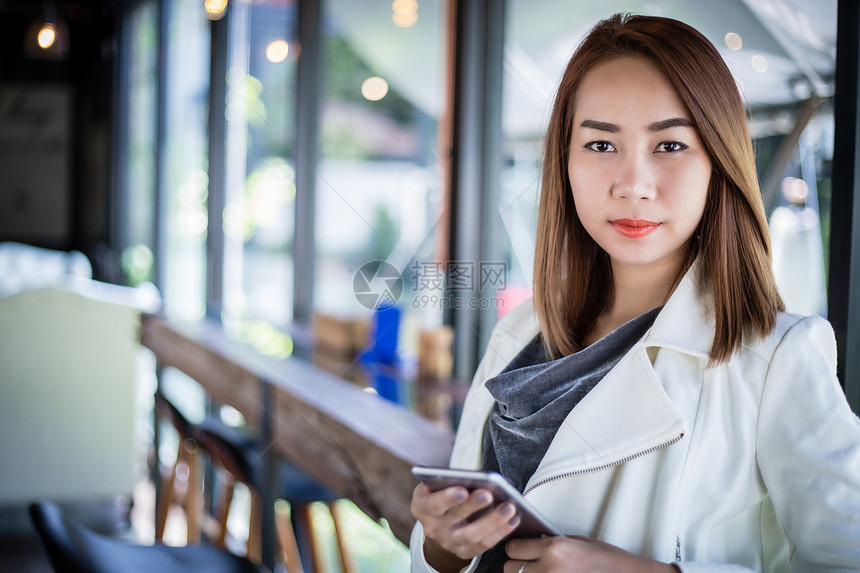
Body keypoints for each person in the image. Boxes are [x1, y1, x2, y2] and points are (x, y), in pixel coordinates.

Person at [409, 13, 860, 573]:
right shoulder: (520, 331)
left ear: (718, 162)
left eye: (669, 145)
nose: (632, 184)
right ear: (565, 164)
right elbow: (450, 544)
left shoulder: (777, 359)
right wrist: (439, 547)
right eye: (600, 144)